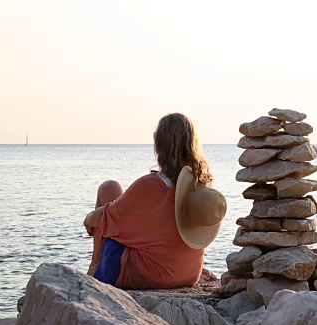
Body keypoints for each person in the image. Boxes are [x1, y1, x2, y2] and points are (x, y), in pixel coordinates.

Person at [83, 113, 227, 289]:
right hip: (189, 274)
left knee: (109, 188)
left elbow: (96, 220)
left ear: (159, 145)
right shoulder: (201, 189)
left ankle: (94, 268)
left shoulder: (151, 185)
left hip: (150, 275)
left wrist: (91, 218)